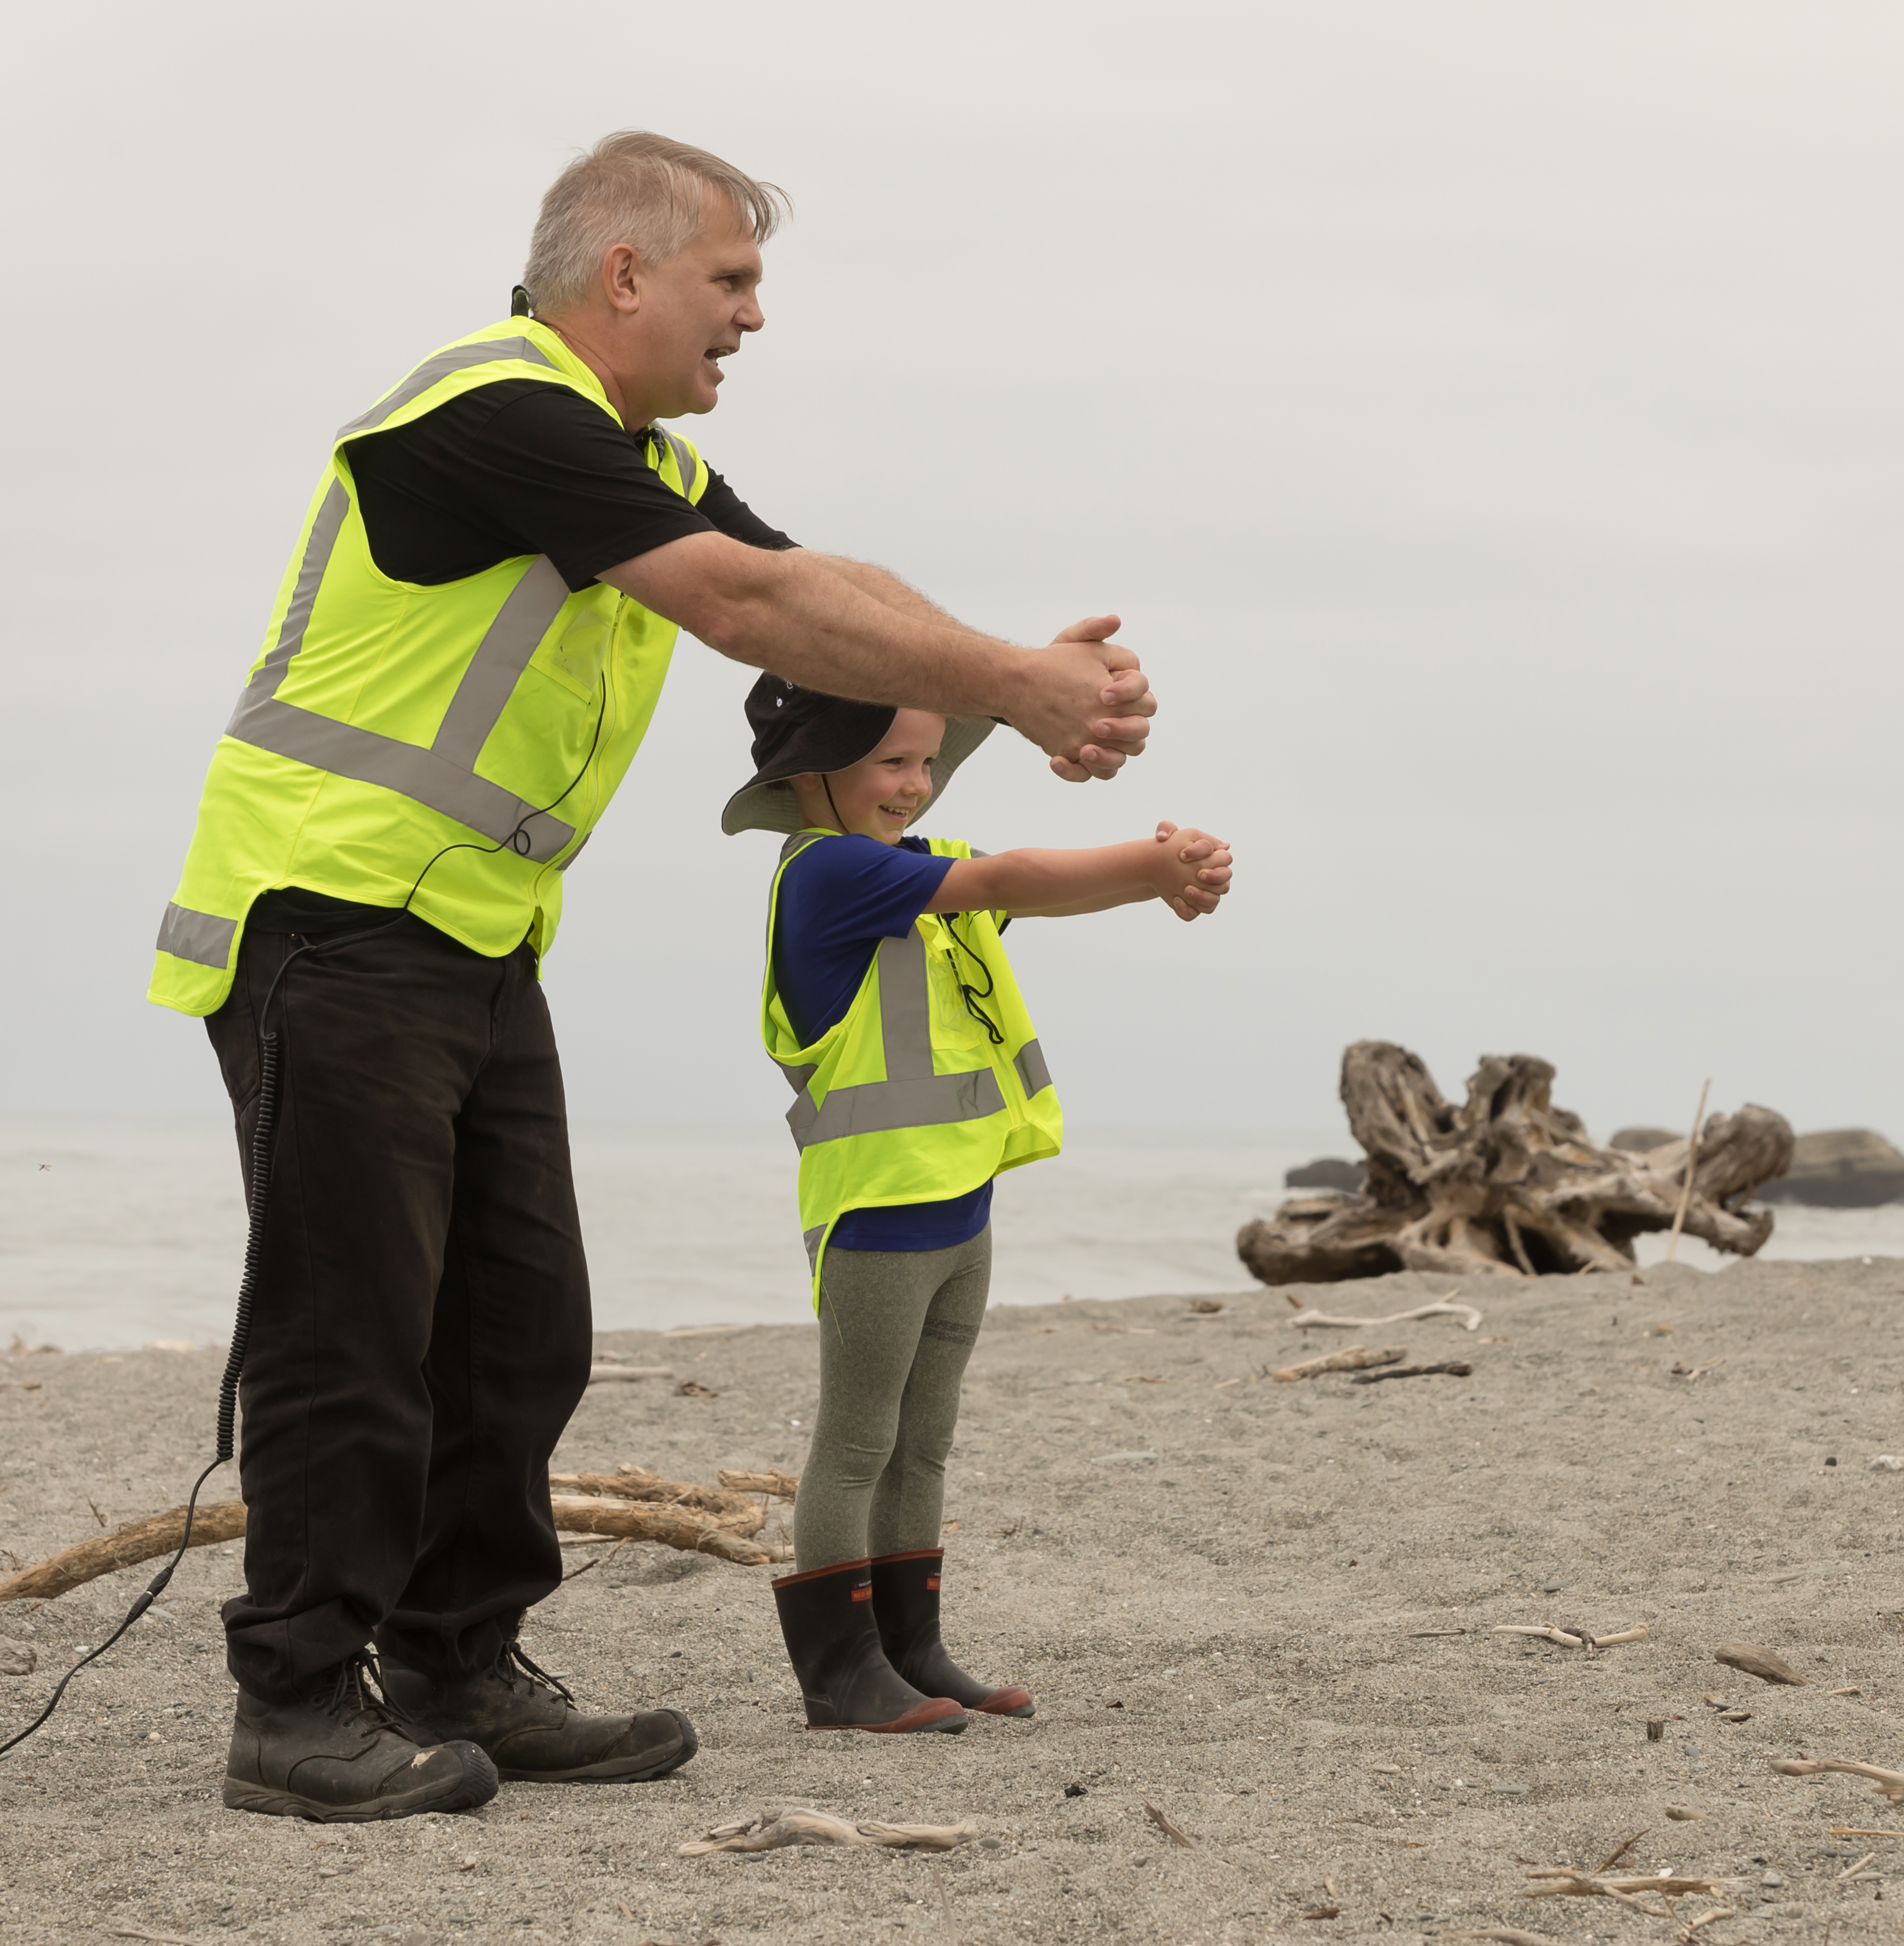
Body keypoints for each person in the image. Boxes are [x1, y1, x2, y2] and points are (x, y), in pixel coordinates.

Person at [146, 130, 1159, 1821]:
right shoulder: (493, 412)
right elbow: (750, 610)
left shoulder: (629, 454)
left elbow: (822, 583)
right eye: (731, 280)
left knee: (521, 1328)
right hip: (326, 916)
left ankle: (458, 1660)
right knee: (354, 1332)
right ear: (623, 275)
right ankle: (297, 1702)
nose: (753, 317)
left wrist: (1008, 672)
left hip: (472, 935)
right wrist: (1012, 682)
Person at [721, 681, 1232, 1733]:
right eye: (892, 763)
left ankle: (911, 1649)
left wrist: (1153, 879)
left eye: (926, 761)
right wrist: (1151, 866)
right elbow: (1010, 878)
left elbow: (1029, 892)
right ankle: (841, 1673)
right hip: (876, 1212)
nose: (916, 783)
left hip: (961, 1207)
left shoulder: (913, 868)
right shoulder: (830, 872)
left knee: (925, 1442)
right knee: (856, 1444)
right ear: (811, 775)